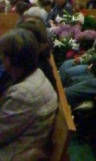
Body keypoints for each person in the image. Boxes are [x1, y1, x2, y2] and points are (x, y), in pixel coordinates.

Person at [0, 29, 58, 160]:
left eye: (2, 56)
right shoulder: (36, 73)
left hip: (15, 153)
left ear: (10, 60)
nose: (2, 60)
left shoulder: (23, 94)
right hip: (25, 141)